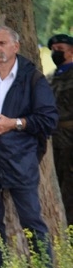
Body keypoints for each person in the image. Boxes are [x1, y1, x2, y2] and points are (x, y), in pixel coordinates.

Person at [0, 25, 58, 268]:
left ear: (16, 46)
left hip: (21, 162)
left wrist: (13, 123)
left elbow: (48, 121)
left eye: (2, 43)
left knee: (32, 222)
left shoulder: (33, 79)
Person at [48, 33, 73, 226]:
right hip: (52, 140)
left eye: (60, 50)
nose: (55, 53)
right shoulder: (49, 78)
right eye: (53, 50)